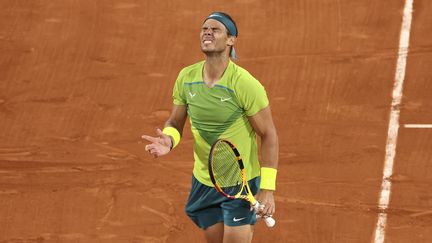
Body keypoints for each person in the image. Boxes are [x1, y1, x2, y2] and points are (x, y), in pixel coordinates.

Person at [142, 12, 279, 243]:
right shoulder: (186, 78)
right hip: (206, 179)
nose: (207, 31)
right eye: (204, 28)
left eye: (215, 29)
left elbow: (268, 134)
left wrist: (267, 189)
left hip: (240, 180)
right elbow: (175, 121)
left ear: (230, 40)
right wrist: (169, 139)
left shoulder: (244, 84)